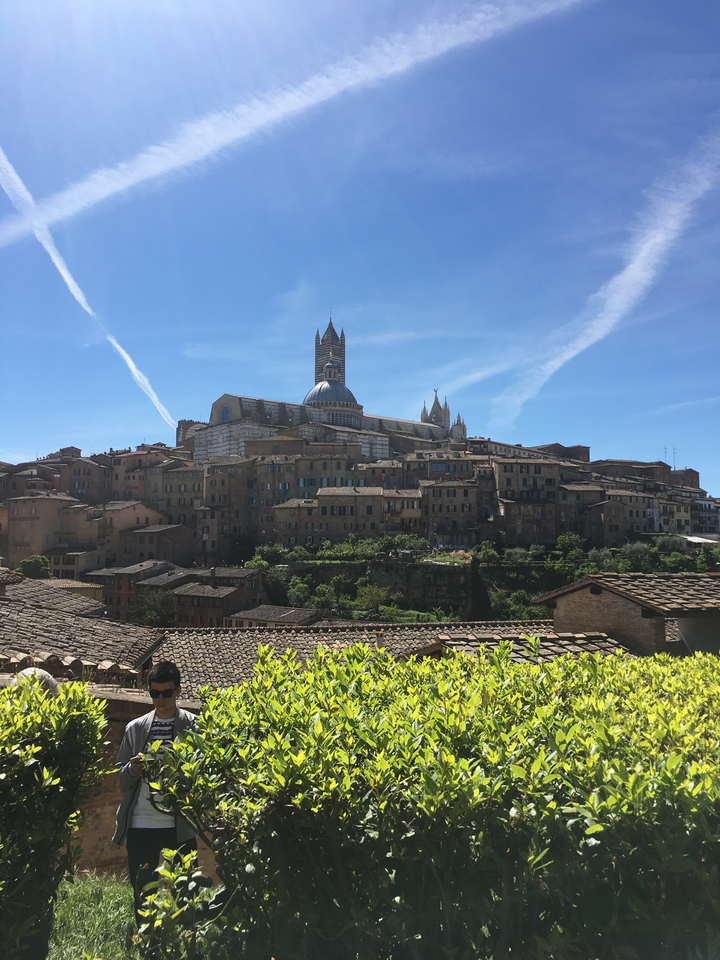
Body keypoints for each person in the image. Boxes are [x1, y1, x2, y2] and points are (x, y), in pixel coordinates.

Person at [113, 660, 197, 926]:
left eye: (166, 693)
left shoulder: (194, 727)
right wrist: (133, 769)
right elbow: (120, 777)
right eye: (154, 693)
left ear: (178, 691)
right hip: (141, 824)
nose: (160, 699)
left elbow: (202, 773)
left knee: (185, 893)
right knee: (143, 895)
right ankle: (148, 943)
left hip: (180, 824)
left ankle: (183, 942)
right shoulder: (136, 728)